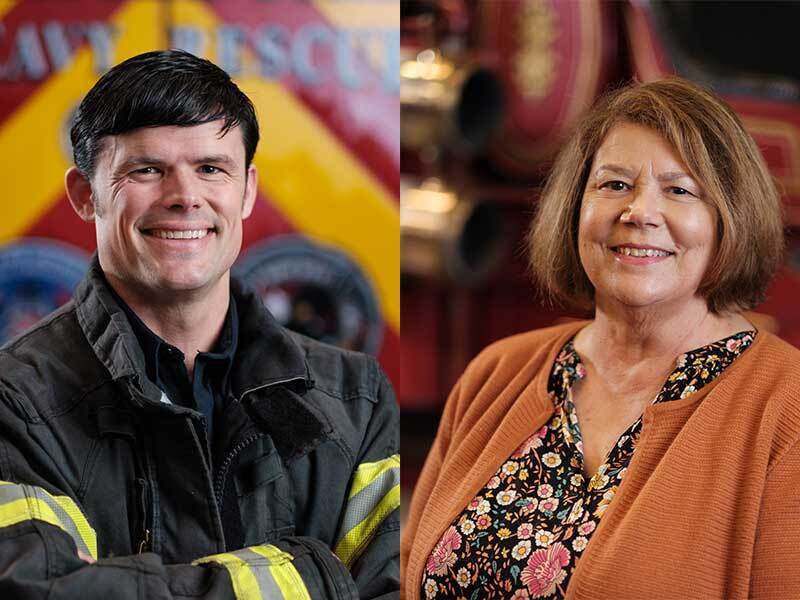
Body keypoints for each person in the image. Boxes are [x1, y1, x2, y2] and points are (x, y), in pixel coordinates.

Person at [0, 49, 399, 599]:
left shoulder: (358, 400)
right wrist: (309, 578)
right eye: (146, 170)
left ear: (247, 191)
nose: (185, 197)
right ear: (85, 195)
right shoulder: (15, 402)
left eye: (211, 168)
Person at [402, 77, 800, 599]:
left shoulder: (786, 408)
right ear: (575, 208)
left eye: (679, 190)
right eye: (614, 185)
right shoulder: (497, 372)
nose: (638, 212)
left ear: (729, 219)